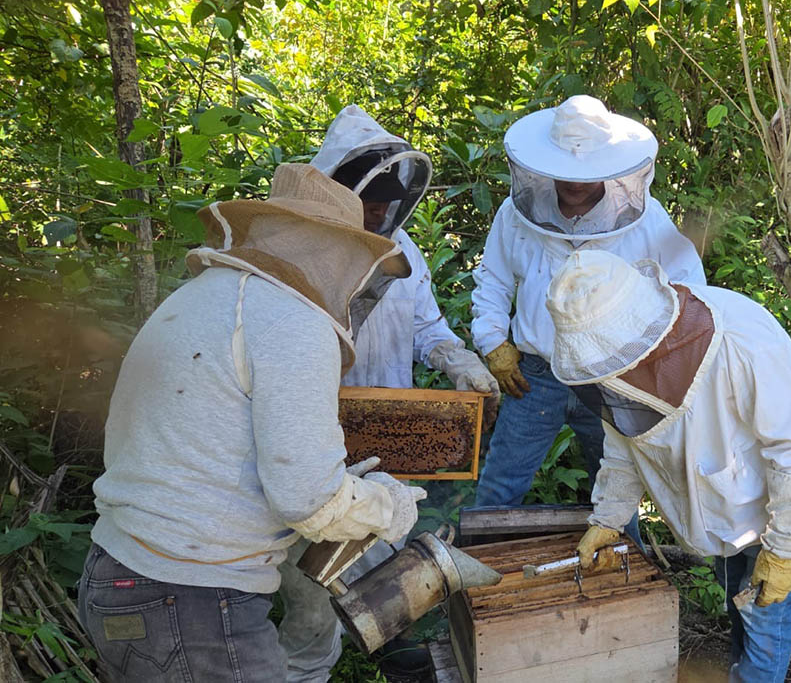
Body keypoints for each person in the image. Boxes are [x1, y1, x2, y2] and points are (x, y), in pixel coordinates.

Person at [77, 164, 426, 682]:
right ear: (333, 251)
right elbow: (310, 502)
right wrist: (385, 505)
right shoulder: (293, 321)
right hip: (192, 599)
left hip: (117, 576)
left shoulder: (196, 298)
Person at [545, 249, 791, 683]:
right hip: (723, 511)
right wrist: (609, 518)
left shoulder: (744, 342)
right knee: (738, 601)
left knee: (765, 626)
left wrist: (784, 550)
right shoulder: (617, 369)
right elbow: (625, 445)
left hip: (780, 509)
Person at [276, 105, 499, 682]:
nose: (379, 213)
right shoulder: (300, 254)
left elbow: (428, 328)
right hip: (315, 436)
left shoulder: (405, 251)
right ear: (338, 195)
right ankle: (305, 665)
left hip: (391, 432)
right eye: (369, 202)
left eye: (387, 203)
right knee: (312, 573)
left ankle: (394, 649)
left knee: (390, 549)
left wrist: (458, 360)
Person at [471, 95, 705, 514]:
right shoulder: (516, 214)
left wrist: (654, 359)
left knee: (617, 493)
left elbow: (686, 288)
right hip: (534, 376)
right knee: (499, 487)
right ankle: (474, 558)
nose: (575, 183)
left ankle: (624, 555)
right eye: (565, 172)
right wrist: (492, 341)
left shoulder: (646, 217)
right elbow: (494, 279)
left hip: (613, 375)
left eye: (586, 173)